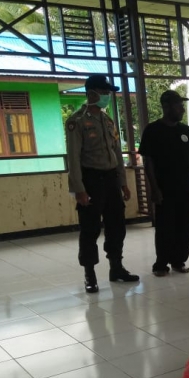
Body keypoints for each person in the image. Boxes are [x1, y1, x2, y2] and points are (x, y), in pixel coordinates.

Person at [66, 74, 139, 294]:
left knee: (117, 225)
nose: (107, 96)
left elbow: (116, 152)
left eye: (108, 92)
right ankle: (90, 274)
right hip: (91, 180)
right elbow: (73, 158)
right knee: (90, 229)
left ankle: (116, 268)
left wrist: (123, 183)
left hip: (110, 180)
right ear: (91, 93)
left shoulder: (108, 120)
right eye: (104, 92)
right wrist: (78, 189)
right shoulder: (76, 121)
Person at [139, 90, 189, 277]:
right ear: (166, 107)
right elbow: (148, 162)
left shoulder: (186, 131)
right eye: (179, 105)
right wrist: (154, 188)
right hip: (164, 190)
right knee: (165, 227)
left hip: (186, 188)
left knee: (185, 227)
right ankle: (161, 264)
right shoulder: (152, 131)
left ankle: (178, 261)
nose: (182, 109)